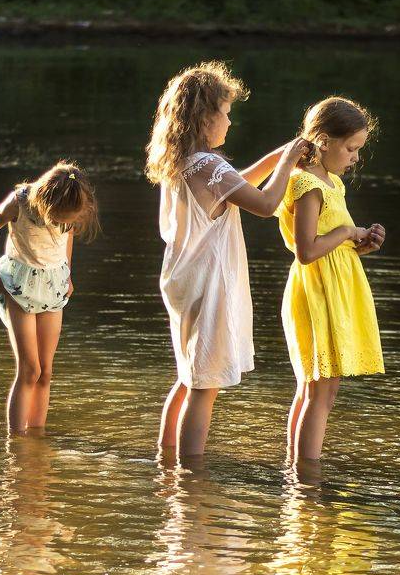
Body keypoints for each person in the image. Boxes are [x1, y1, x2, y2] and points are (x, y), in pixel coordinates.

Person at [144, 60, 312, 460]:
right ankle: (190, 477)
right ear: (205, 119)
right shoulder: (209, 165)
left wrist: (279, 157)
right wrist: (288, 163)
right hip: (208, 283)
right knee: (204, 387)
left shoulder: (183, 164)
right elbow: (265, 204)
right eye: (226, 113)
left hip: (183, 279)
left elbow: (236, 184)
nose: (230, 122)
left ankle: (167, 461)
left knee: (189, 377)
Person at [278, 96, 386, 463]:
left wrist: (360, 245)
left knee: (319, 389)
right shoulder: (308, 184)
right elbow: (306, 250)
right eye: (351, 148)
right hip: (317, 292)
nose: (356, 157)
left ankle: (297, 470)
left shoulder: (333, 183)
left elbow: (332, 245)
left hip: (334, 288)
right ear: (324, 141)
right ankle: (306, 477)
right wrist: (347, 232)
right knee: (319, 391)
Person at [0, 161, 99, 431]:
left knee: (45, 371)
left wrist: (68, 273)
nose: (62, 225)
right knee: (30, 369)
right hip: (19, 287)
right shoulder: (20, 202)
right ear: (47, 203)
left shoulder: (72, 205)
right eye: (58, 220)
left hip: (53, 285)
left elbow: (68, 237)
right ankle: (16, 443)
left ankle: (36, 438)